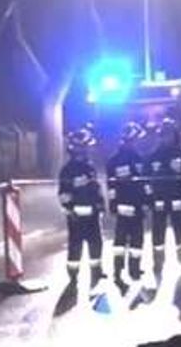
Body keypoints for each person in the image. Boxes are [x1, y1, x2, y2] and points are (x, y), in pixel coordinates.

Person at [57, 127, 105, 287]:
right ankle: (73, 276)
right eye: (85, 146)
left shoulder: (89, 167)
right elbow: (63, 193)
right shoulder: (67, 170)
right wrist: (70, 210)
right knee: (75, 246)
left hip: (92, 214)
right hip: (77, 215)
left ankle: (96, 271)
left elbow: (95, 188)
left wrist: (100, 205)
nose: (87, 149)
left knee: (96, 243)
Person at [146, 117, 181, 279]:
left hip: (178, 202)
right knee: (158, 235)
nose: (167, 137)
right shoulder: (152, 157)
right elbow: (147, 181)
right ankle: (158, 262)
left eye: (170, 134)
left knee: (180, 234)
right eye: (164, 134)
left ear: (175, 135)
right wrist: (149, 200)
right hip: (159, 203)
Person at [106, 121, 148, 288]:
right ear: (130, 140)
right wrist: (114, 204)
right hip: (126, 206)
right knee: (123, 242)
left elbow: (145, 183)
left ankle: (132, 269)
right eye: (136, 139)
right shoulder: (115, 161)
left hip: (134, 206)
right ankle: (121, 270)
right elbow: (112, 186)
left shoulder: (138, 158)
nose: (139, 142)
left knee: (134, 241)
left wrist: (147, 201)